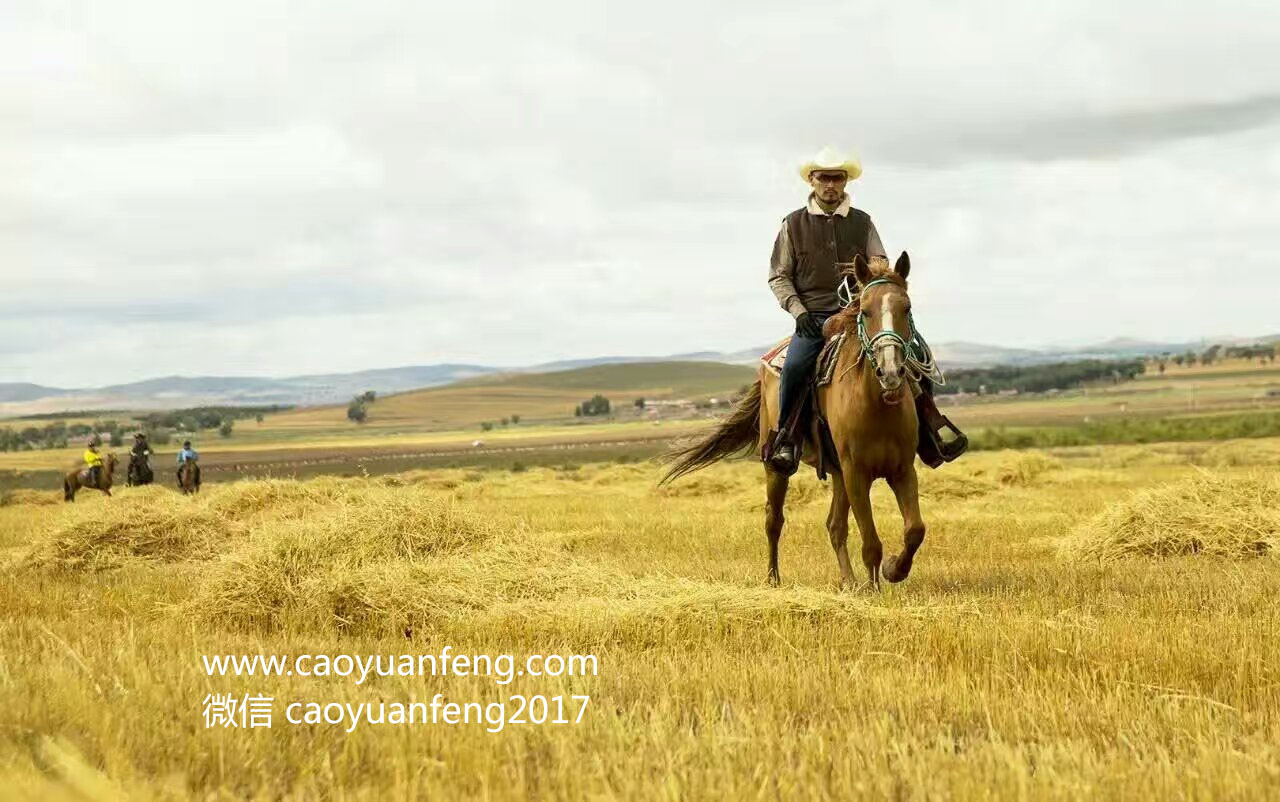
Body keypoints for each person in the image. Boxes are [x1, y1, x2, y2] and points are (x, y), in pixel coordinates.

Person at [766, 146, 966, 475]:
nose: (831, 184)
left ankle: (931, 430)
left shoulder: (862, 222)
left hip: (859, 314)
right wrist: (798, 311)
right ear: (812, 181)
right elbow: (779, 275)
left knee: (914, 354)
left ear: (845, 182)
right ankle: (787, 437)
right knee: (795, 367)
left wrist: (873, 284)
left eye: (837, 178)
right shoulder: (792, 224)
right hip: (812, 318)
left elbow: (880, 263)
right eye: (824, 178)